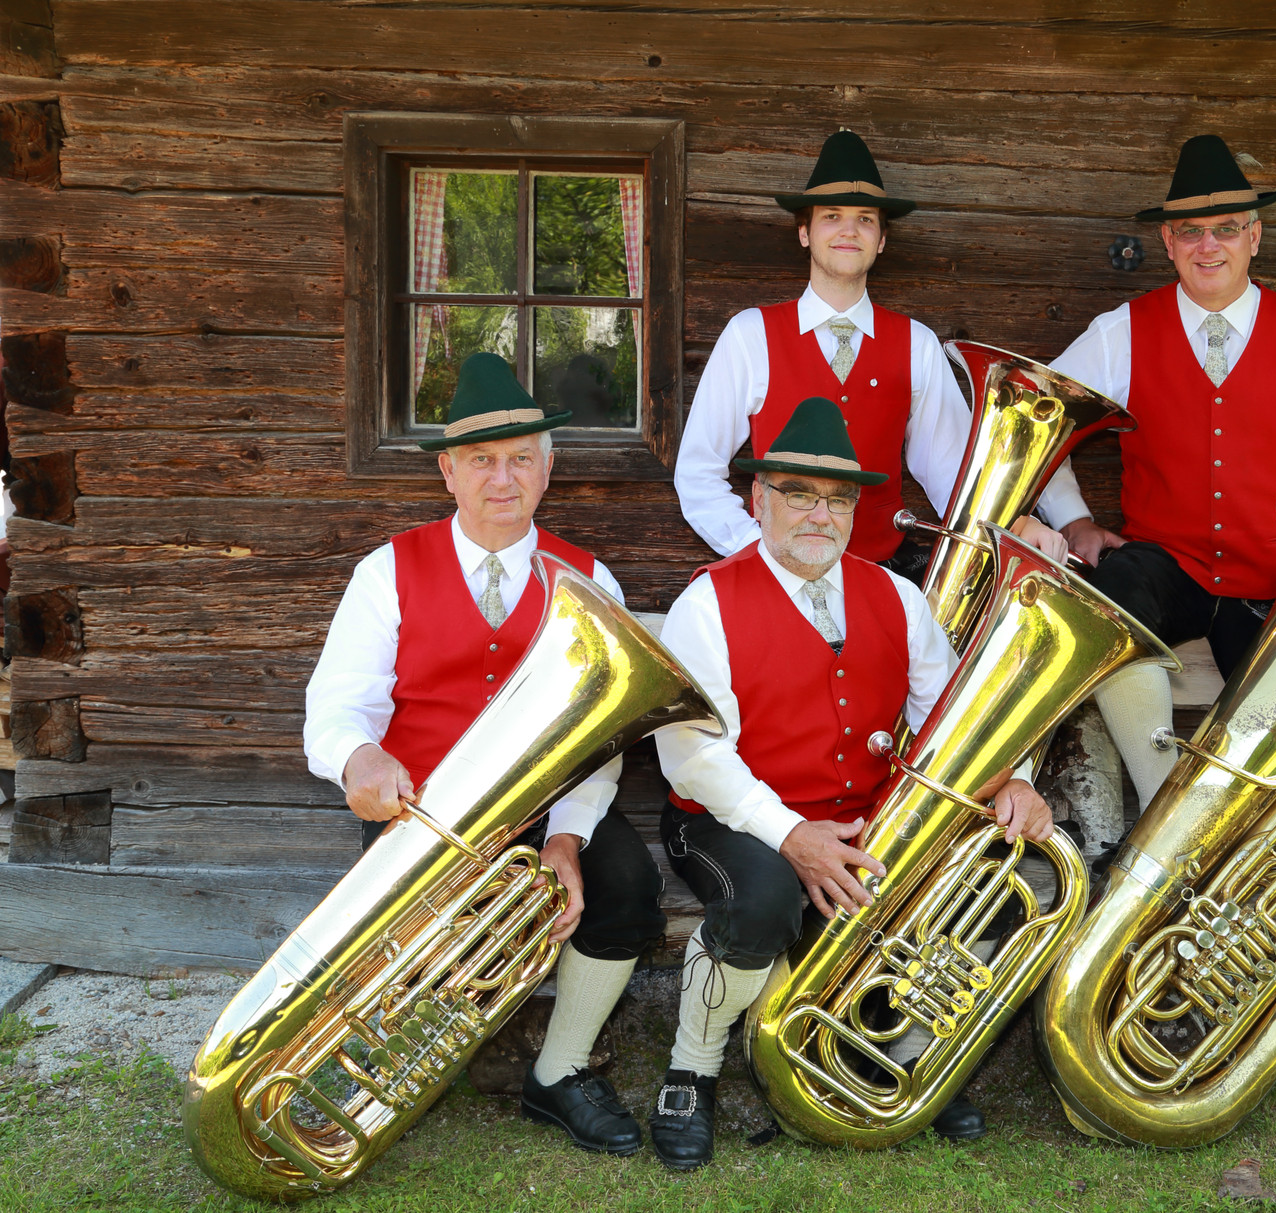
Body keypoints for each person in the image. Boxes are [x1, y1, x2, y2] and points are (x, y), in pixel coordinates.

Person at [1039, 136, 1276, 1116]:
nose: (1206, 245)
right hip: (1167, 565)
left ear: (1254, 236)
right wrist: (1070, 517)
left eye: (1224, 228)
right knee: (1112, 588)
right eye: (1188, 230)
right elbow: (1036, 415)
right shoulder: (1122, 331)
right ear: (1167, 242)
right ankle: (1175, 816)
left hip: (1266, 585)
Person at [648, 396, 1056, 1170]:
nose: (819, 513)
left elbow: (954, 715)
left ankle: (900, 1047)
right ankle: (690, 1071)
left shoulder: (898, 598)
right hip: (724, 816)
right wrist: (792, 837)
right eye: (799, 492)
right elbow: (695, 758)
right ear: (758, 499)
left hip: (862, 813)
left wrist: (1018, 780)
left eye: (837, 498)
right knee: (765, 894)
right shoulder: (706, 604)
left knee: (989, 873)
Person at [303, 352, 666, 1155]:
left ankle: (560, 1070)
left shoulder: (587, 574)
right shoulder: (385, 571)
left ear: (547, 467)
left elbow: (600, 732)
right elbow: (336, 704)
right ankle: (413, 1052)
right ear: (447, 471)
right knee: (421, 926)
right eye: (481, 460)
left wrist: (567, 837)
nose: (502, 479)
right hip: (427, 812)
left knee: (631, 888)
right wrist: (357, 759)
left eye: (520, 459)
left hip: (546, 807)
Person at [673, 129, 1075, 583]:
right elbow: (697, 474)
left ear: (882, 239)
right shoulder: (750, 335)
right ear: (804, 232)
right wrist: (760, 552)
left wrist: (1018, 526)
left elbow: (953, 476)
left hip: (883, 576)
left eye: (865, 219)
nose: (849, 230)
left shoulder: (917, 343)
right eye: (832, 216)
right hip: (776, 581)